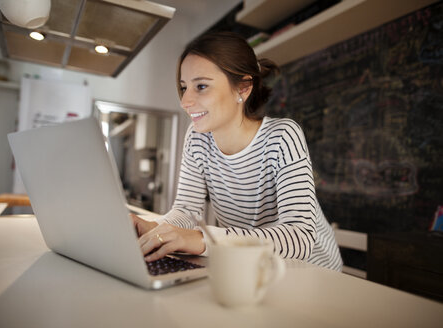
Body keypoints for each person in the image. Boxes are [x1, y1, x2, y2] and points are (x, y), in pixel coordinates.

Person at [131, 31, 343, 271]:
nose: (185, 101)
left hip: (310, 272)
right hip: (250, 265)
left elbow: (299, 237)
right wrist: (156, 229)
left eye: (201, 86)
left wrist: (202, 239)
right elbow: (186, 211)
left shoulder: (282, 137)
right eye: (184, 87)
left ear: (242, 88)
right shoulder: (197, 139)